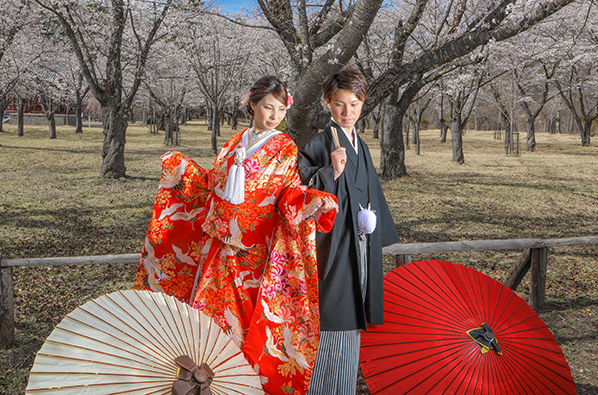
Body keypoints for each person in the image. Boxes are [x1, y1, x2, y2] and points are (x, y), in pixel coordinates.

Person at [134, 76, 338, 395]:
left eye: (280, 110)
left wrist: (310, 200)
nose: (273, 116)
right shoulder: (233, 143)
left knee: (243, 330)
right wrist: (180, 169)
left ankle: (240, 387)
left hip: (252, 256)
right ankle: (202, 386)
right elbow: (211, 185)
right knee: (205, 324)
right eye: (267, 107)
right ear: (252, 104)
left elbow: (286, 194)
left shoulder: (284, 148)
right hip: (217, 253)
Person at [298, 67, 400, 394]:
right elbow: (299, 193)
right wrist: (332, 172)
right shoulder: (319, 143)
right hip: (333, 247)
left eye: (354, 104)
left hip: (359, 243)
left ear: (363, 103)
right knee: (333, 320)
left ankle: (342, 388)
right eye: (340, 104)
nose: (347, 112)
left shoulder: (362, 145)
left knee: (353, 320)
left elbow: (370, 192)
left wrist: (372, 228)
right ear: (328, 102)